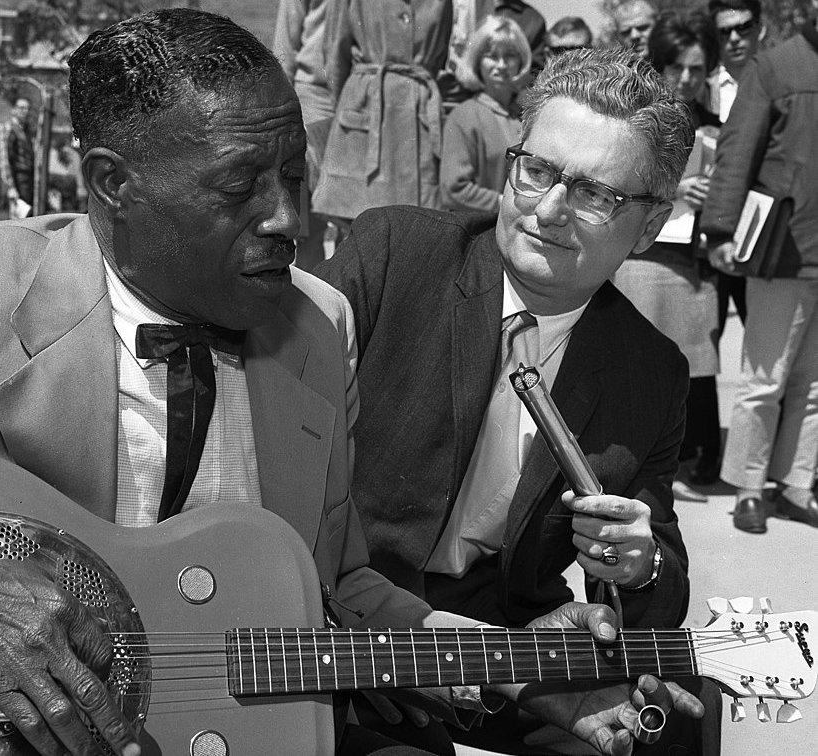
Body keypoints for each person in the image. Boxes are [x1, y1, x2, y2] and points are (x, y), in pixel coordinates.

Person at [0, 10, 704, 756]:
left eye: (294, 175)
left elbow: (333, 588)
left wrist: (512, 662)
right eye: (240, 185)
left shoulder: (316, 329)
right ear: (111, 183)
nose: (291, 218)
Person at [316, 47, 720, 754]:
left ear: (649, 229)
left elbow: (660, 578)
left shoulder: (650, 371)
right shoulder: (391, 256)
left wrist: (637, 561)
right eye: (536, 172)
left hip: (509, 636)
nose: (550, 210)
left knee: (679, 719)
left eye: (596, 195)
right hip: (354, 624)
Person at [703, 7, 818, 534]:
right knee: (762, 380)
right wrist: (722, 231)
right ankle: (750, 487)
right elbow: (737, 149)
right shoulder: (774, 68)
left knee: (814, 385)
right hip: (783, 251)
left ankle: (796, 484)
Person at [612, 11, 723, 495]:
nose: (687, 78)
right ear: (660, 64)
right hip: (640, 260)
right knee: (635, 372)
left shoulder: (718, 126)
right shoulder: (638, 118)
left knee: (686, 372)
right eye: (677, 66)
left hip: (691, 264)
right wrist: (680, 192)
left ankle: (669, 468)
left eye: (698, 69)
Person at [312, 0, 452, 223]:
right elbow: (335, 53)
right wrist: (352, 104)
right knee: (356, 228)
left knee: (419, 227)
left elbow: (442, 51)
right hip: (366, 109)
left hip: (420, 116)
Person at [706, 0, 763, 335]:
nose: (735, 39)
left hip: (763, 230)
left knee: (768, 349)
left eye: (744, 27)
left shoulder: (779, 83)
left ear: (760, 28)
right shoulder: (700, 88)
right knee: (703, 351)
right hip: (709, 238)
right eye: (724, 31)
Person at [439, 15, 530, 220]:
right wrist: (506, 203)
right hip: (480, 228)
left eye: (510, 56)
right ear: (478, 60)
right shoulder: (464, 115)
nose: (501, 64)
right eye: (491, 56)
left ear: (521, 60)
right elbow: (454, 190)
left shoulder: (528, 115)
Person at [274, 0, 336, 269]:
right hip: (313, 98)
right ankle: (310, 302)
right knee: (307, 222)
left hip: (360, 95)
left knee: (354, 215)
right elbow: (284, 48)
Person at [0, 95, 36, 219]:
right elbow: (5, 160)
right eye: (21, 108)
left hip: (27, 179)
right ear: (13, 110)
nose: (24, 111)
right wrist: (11, 186)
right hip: (18, 179)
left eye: (27, 108)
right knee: (19, 220)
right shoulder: (9, 128)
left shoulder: (26, 130)